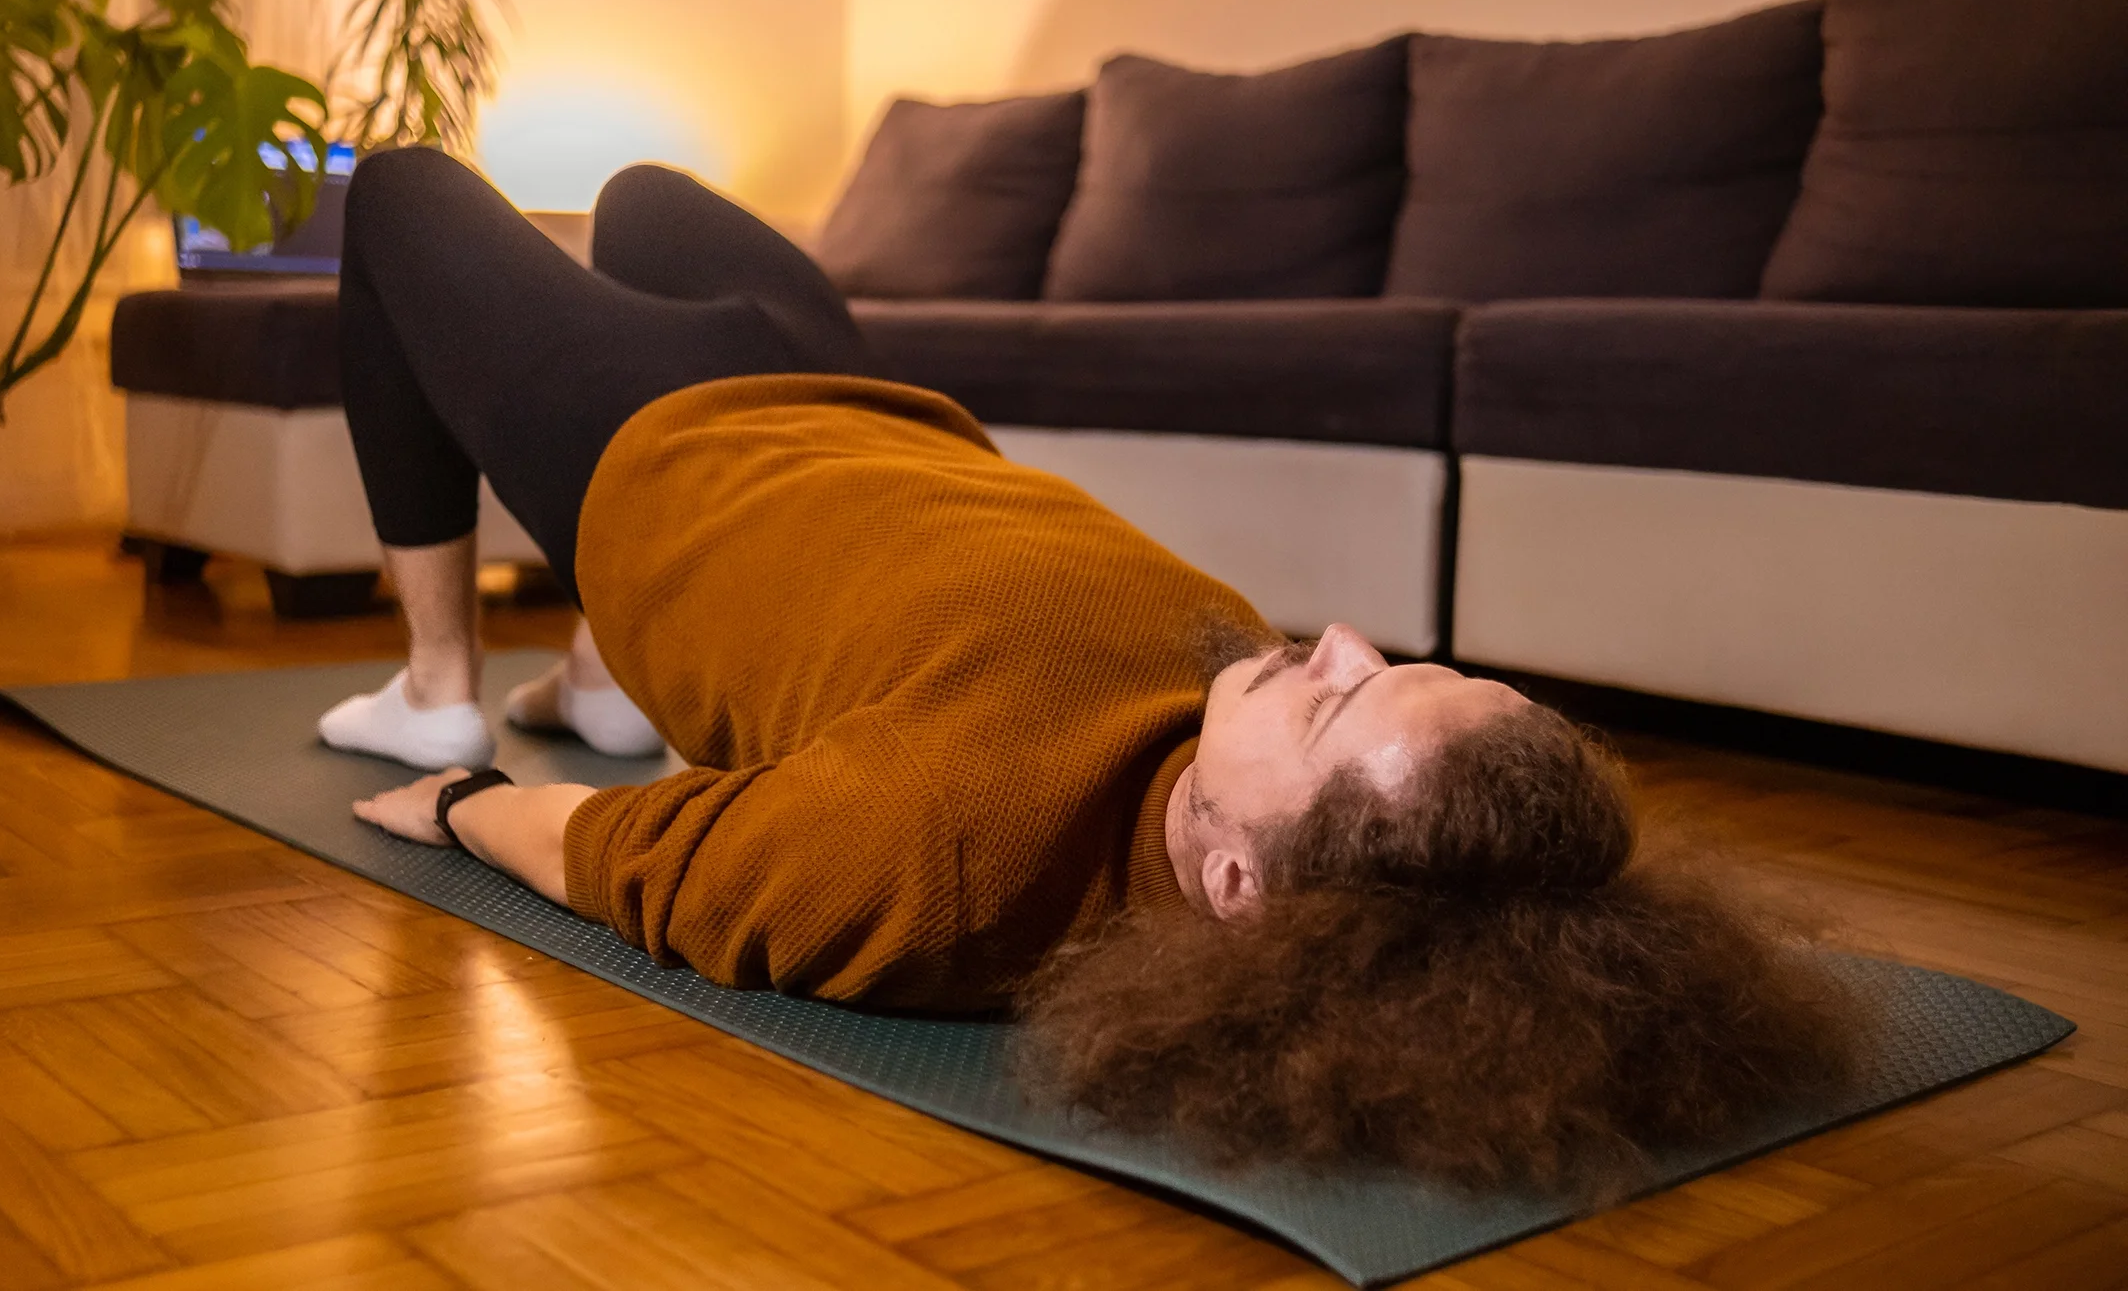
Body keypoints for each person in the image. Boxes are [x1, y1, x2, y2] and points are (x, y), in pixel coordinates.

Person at [320, 147, 1862, 1194]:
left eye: (1339, 697)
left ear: (1246, 887)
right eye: (1381, 661)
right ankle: (608, 679)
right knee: (649, 195)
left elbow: (634, 854)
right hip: (871, 399)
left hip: (666, 448)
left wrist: (459, 803)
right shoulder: (1229, 719)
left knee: (393, 196)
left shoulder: (931, 848)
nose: (1329, 640)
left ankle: (442, 671)